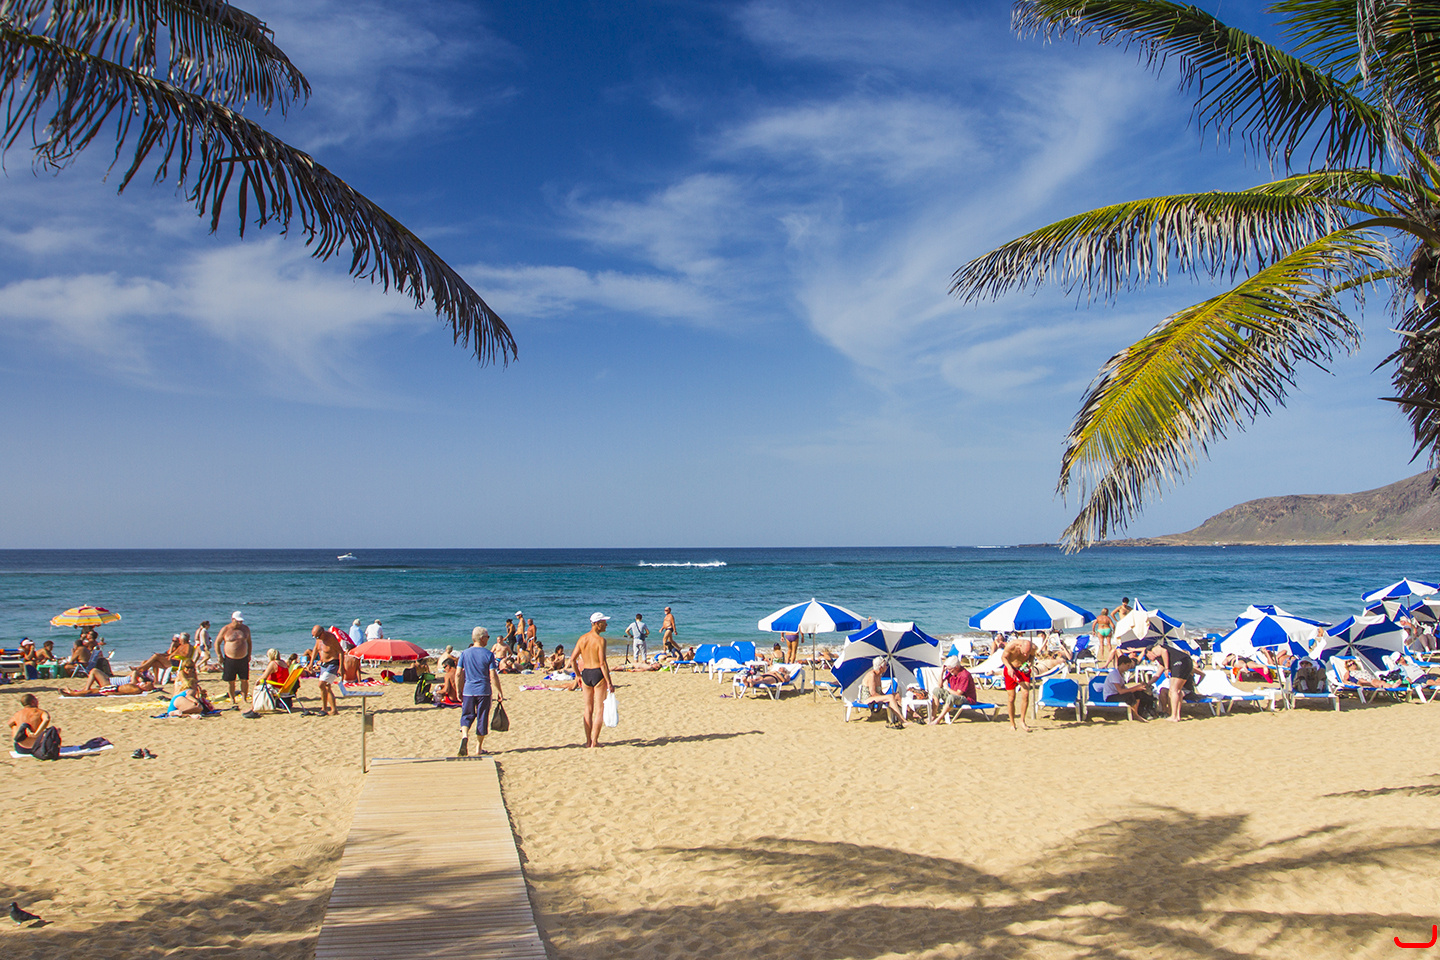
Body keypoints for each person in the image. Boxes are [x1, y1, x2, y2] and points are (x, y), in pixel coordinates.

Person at [570, 613, 616, 748]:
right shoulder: (600, 640)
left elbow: (572, 660)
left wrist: (578, 675)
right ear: (597, 624)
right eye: (604, 622)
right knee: (599, 709)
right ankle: (594, 741)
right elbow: (602, 663)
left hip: (586, 673)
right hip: (597, 673)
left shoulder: (582, 639)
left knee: (588, 709)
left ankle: (588, 741)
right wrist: (609, 682)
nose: (606, 625)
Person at [457, 627, 505, 756]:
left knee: (466, 715)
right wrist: (499, 691)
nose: (488, 640)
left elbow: (458, 674)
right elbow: (493, 675)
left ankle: (465, 736)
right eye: (487, 637)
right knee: (482, 718)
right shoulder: (488, 654)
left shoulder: (464, 653)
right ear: (482, 638)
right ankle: (478, 748)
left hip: (468, 690)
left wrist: (458, 690)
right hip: (483, 690)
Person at [1147, 640, 1200, 722]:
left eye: (1147, 657)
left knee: (1173, 690)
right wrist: (1148, 684)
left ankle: (1174, 716)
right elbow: (1157, 676)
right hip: (1187, 662)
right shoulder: (1163, 661)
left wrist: (1166, 668)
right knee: (1178, 691)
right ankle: (1177, 716)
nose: (1149, 659)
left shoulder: (1155, 649)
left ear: (1148, 652)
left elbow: (1164, 651)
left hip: (1180, 662)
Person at [215, 612, 252, 709]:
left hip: (243, 658)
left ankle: (244, 698)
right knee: (231, 681)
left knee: (244, 680)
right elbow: (217, 643)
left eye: (241, 621)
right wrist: (219, 655)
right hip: (230, 658)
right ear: (233, 620)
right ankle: (232, 699)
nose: (239, 623)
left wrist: (249, 654)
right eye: (237, 621)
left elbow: (249, 642)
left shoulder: (245, 629)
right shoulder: (226, 629)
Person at [1101, 655, 1155, 721]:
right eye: (1128, 665)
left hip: (1117, 695)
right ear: (1122, 664)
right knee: (1130, 696)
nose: (1129, 668)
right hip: (1110, 697)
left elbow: (1124, 689)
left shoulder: (1121, 674)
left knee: (1138, 693)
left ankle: (1141, 712)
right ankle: (1135, 715)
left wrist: (1137, 687)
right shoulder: (1114, 674)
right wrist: (1136, 688)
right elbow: (1120, 691)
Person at [1002, 633, 1038, 731]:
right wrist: (1009, 668)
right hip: (1011, 668)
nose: (1025, 655)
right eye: (1024, 653)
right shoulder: (1011, 646)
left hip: (1023, 669)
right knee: (1011, 698)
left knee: (1025, 694)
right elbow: (1003, 657)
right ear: (1020, 646)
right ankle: (1012, 723)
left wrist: (1030, 662)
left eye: (1027, 653)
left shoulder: (1033, 648)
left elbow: (1032, 656)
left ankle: (1022, 721)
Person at [931, 657, 980, 724]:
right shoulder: (952, 673)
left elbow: (958, 694)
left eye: (949, 669)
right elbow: (939, 686)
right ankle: (933, 716)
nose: (949, 671)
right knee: (936, 690)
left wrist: (947, 688)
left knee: (951, 697)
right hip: (954, 695)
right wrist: (942, 672)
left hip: (967, 699)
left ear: (956, 667)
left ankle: (938, 719)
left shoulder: (964, 675)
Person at [859, 656, 905, 728]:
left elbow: (880, 691)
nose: (886, 667)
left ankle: (912, 714)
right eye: (885, 665)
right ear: (881, 667)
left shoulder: (878, 675)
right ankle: (902, 720)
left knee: (897, 695)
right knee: (890, 697)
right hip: (867, 698)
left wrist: (886, 696)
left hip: (875, 696)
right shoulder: (872, 675)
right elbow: (873, 693)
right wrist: (886, 697)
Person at [311, 624, 343, 716]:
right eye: (315, 637)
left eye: (317, 636)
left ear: (323, 633)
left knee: (321, 684)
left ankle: (330, 709)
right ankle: (327, 709)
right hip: (323, 664)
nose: (317, 638)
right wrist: (311, 663)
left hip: (333, 663)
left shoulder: (331, 638)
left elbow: (340, 652)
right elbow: (315, 649)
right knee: (327, 687)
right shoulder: (318, 639)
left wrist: (341, 667)